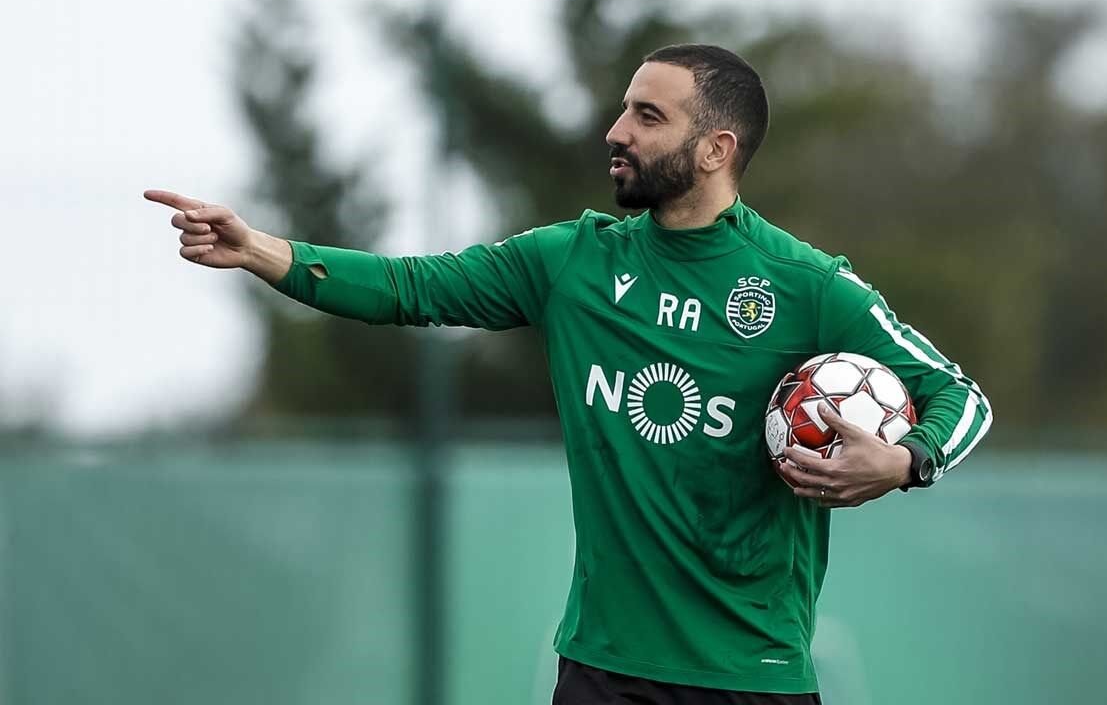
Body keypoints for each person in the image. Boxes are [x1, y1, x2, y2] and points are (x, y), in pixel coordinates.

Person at [146, 44, 992, 705]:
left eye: (647, 116)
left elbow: (961, 396)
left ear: (715, 149)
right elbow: (411, 287)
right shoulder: (573, 262)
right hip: (605, 672)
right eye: (623, 109)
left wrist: (904, 460)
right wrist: (262, 250)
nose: (617, 131)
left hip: (755, 675)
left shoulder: (805, 285)